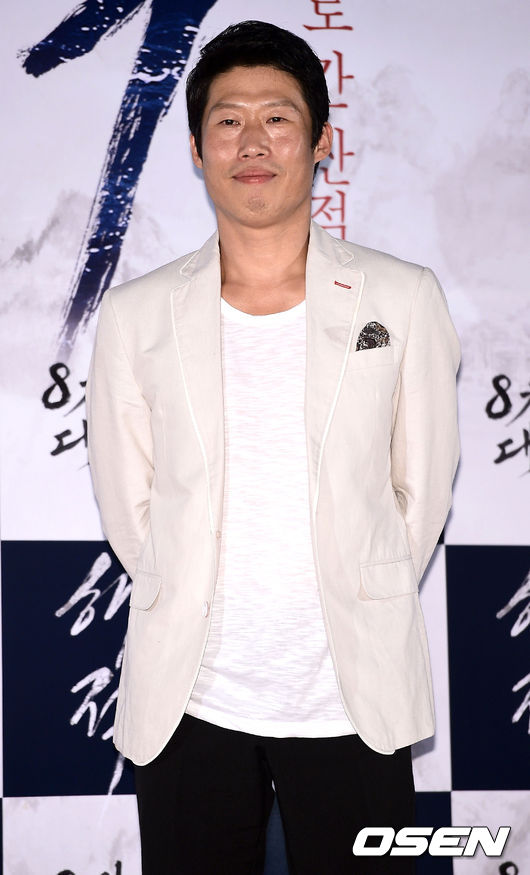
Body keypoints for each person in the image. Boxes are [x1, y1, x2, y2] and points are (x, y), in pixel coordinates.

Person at [86, 19, 461, 875]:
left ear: (321, 140)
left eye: (277, 118)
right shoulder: (137, 315)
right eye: (228, 120)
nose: (252, 142)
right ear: (196, 148)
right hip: (190, 701)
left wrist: (358, 582)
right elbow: (131, 506)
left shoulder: (401, 298)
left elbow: (421, 493)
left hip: (351, 697)